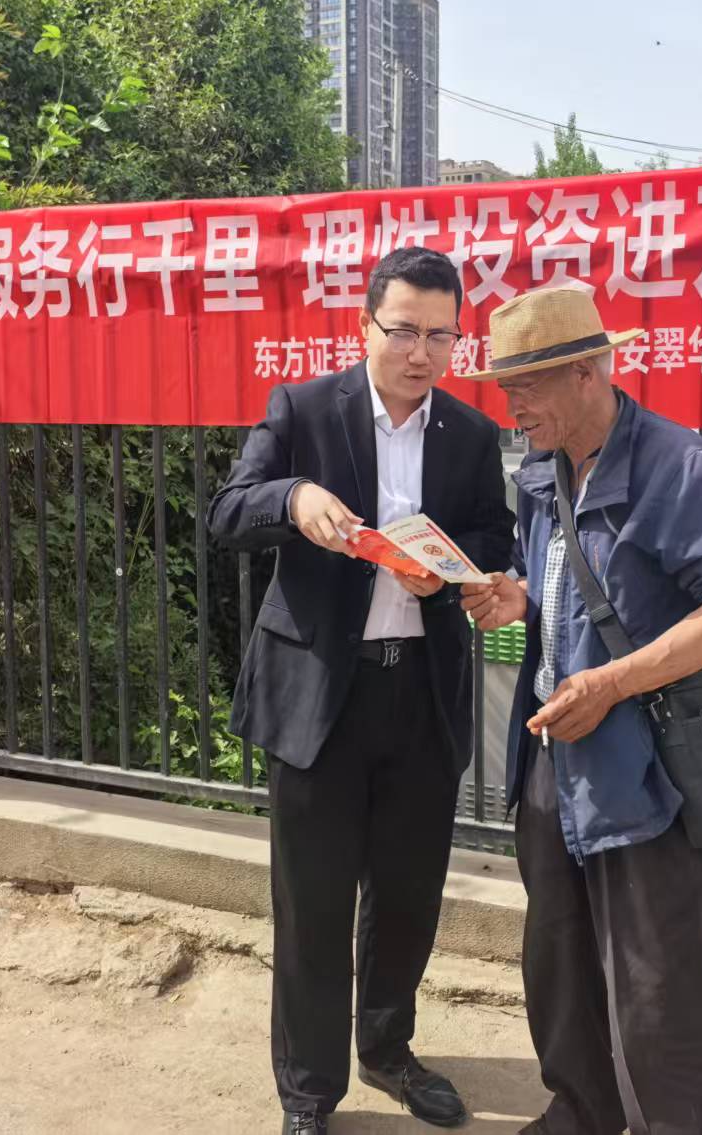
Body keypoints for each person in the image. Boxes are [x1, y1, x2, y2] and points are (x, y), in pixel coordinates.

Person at [209, 246, 516, 1135]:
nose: (421, 352)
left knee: (409, 895)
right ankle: (309, 1090)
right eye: (404, 330)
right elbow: (229, 509)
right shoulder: (304, 409)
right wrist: (294, 498)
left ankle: (387, 1048)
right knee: (312, 905)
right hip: (321, 697)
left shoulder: (470, 434)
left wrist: (448, 571)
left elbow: (494, 535)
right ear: (365, 327)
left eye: (440, 336)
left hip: (420, 692)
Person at [458, 288, 702, 1135]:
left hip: (646, 764)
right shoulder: (544, 469)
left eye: (527, 388)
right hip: (554, 752)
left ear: (588, 374)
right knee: (558, 955)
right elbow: (567, 588)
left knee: (656, 978)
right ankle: (582, 1109)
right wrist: (519, 597)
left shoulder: (680, 468)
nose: (512, 408)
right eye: (504, 389)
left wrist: (613, 683)